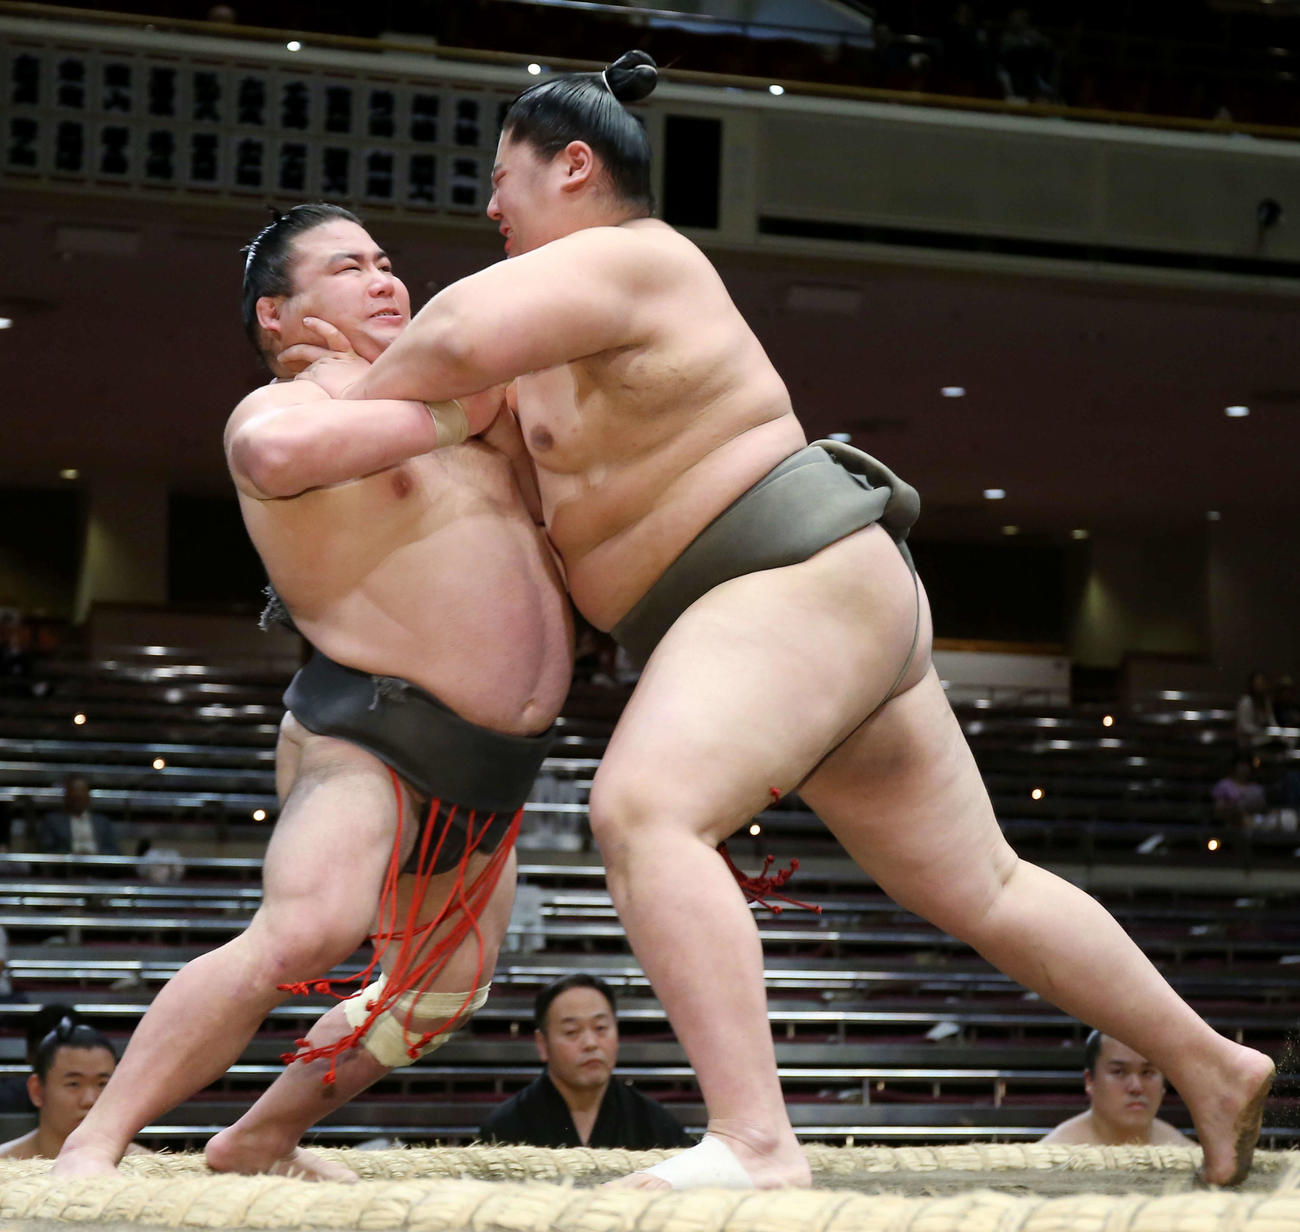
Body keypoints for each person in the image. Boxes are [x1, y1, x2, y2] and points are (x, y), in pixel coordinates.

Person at [270, 53, 1275, 1190]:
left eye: (504, 179)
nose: (490, 206)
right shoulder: (545, 339)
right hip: (811, 608)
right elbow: (471, 416)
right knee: (981, 885)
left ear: (576, 166)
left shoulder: (634, 258)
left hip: (784, 578)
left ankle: (754, 1137)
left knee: (644, 809)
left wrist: (348, 385)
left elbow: (448, 337)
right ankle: (1214, 1059)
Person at [53, 204, 573, 1181]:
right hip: (369, 732)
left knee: (443, 989)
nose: (383, 279)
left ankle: (261, 1132)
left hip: (491, 769)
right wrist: (454, 414)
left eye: (385, 261)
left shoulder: (471, 400)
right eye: (347, 267)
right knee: (307, 928)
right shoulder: (291, 404)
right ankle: (97, 1135)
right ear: (278, 318)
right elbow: (271, 459)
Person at [480, 973, 693, 1149]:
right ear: (542, 1044)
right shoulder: (505, 1127)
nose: (590, 1043)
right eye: (571, 1031)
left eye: (600, 1028)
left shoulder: (656, 1124)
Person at [0, 1019, 146, 1159]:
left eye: (102, 1084)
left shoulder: (144, 1167)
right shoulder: (4, 1165)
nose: (90, 1100)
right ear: (37, 1091)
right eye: (74, 1084)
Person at [1041, 1030, 1189, 1147]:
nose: (1136, 1087)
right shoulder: (1053, 1154)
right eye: (1119, 1072)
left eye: (1147, 1073)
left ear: (1164, 1084)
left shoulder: (1185, 1153)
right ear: (1090, 1081)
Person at [38, 775, 120, 858]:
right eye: (74, 791)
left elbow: (114, 851)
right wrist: (73, 855)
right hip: (66, 867)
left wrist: (94, 855)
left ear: (88, 796)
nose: (78, 795)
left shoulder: (102, 822)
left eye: (82, 791)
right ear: (66, 796)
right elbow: (46, 850)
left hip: (99, 866)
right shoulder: (52, 821)